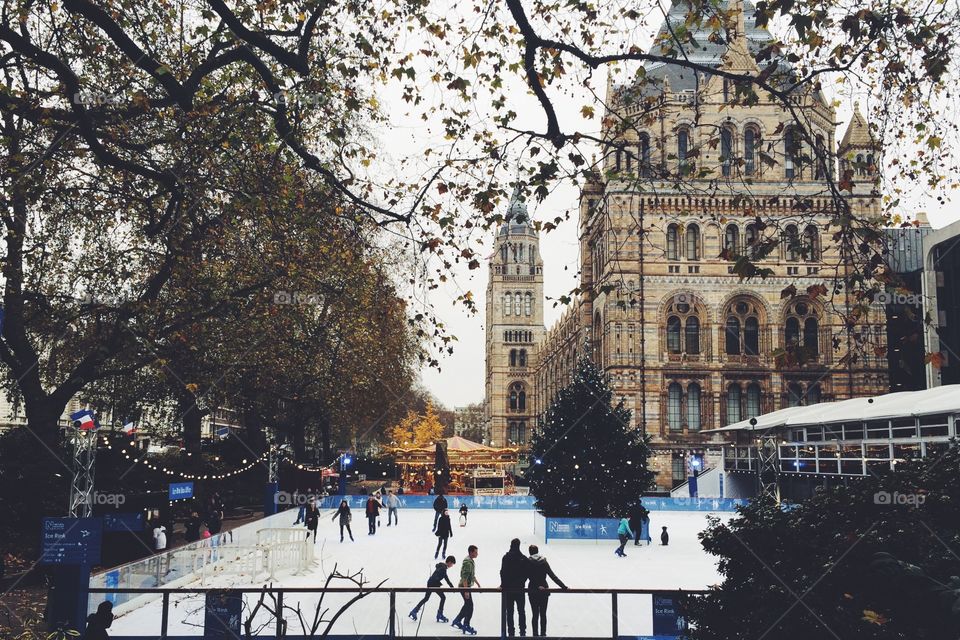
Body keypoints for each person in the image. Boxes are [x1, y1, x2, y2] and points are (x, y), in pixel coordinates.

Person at [526, 544, 567, 637]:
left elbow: (524, 576)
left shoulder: (528, 562)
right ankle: (543, 634)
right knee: (543, 614)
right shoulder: (544, 562)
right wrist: (563, 586)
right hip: (544, 590)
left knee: (535, 614)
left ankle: (535, 635)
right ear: (537, 551)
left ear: (530, 552)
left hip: (532, 590)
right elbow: (552, 576)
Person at [409, 555, 456, 623]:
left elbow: (446, 578)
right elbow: (440, 576)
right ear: (449, 562)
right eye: (452, 564)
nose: (452, 566)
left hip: (431, 583)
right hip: (433, 584)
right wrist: (437, 581)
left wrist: (452, 587)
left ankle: (414, 611)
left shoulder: (443, 567)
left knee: (426, 598)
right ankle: (440, 614)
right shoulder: (443, 568)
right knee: (443, 597)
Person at [499, 538, 529, 637]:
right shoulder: (523, 558)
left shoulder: (506, 557)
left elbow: (502, 572)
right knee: (521, 611)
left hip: (508, 589)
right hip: (520, 589)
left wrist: (503, 584)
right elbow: (526, 573)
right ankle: (523, 632)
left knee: (509, 612)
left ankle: (511, 632)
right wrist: (522, 582)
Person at [451, 545, 480, 635]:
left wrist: (478, 584)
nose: (477, 554)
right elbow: (464, 577)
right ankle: (466, 624)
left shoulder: (470, 561)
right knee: (470, 606)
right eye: (475, 552)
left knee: (467, 605)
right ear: (471, 552)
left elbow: (471, 575)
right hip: (464, 587)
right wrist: (466, 590)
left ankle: (458, 620)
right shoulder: (468, 562)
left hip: (465, 586)